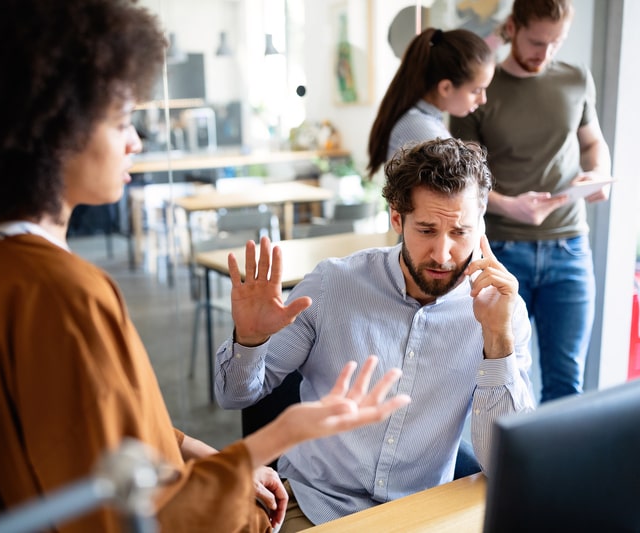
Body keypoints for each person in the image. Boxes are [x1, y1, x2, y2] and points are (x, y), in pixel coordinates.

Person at [0, 1, 411, 532]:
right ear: (54, 125)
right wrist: (274, 442)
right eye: (121, 120)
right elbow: (129, 516)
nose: (135, 142)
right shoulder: (65, 293)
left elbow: (98, 435)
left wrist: (199, 452)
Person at [215, 137, 536, 531]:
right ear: (397, 219)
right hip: (312, 505)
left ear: (481, 219)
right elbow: (234, 396)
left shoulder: (503, 310)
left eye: (460, 232)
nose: (442, 253)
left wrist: (497, 339)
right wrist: (250, 341)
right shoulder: (332, 285)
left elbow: (503, 463)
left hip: (418, 515)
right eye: (426, 229)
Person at [450, 0, 613, 403]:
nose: (546, 53)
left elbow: (593, 142)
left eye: (555, 43)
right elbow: (463, 181)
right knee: (499, 375)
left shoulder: (576, 78)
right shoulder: (481, 89)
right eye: (537, 42)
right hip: (502, 252)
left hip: (570, 248)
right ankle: (503, 468)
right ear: (513, 28)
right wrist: (510, 205)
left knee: (566, 382)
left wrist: (597, 172)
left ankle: (556, 469)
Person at [366, 27, 494, 178]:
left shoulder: (424, 121)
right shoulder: (421, 130)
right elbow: (463, 192)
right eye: (476, 91)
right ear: (446, 88)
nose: (483, 99)